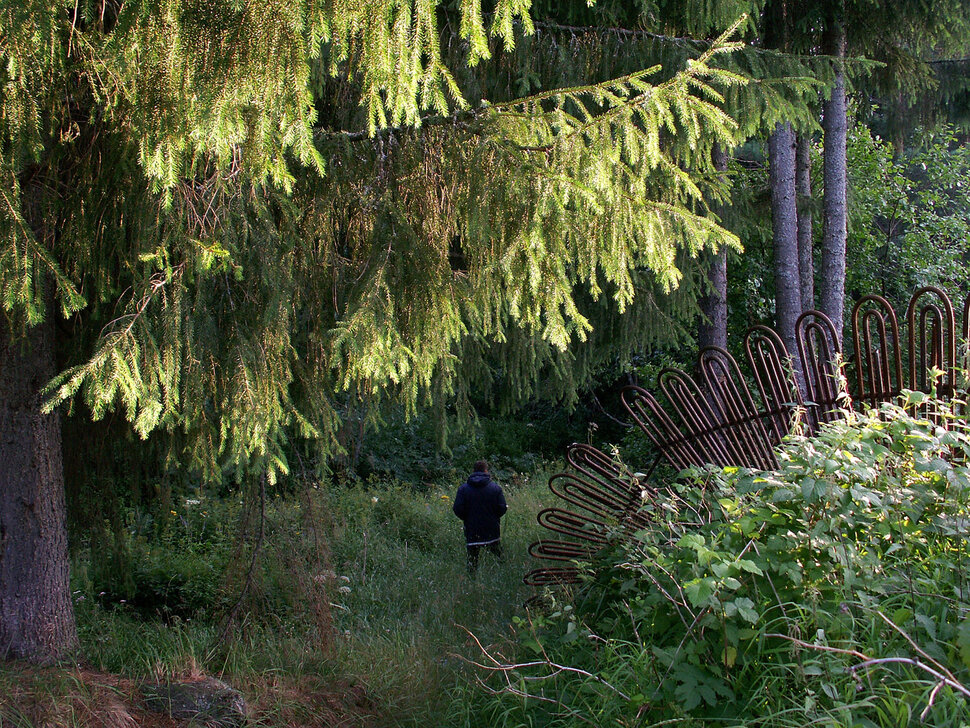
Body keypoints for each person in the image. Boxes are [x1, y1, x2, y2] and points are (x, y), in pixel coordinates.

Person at [452, 460, 507, 574]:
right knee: (498, 555)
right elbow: (502, 508)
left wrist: (467, 518)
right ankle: (505, 574)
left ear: (473, 471)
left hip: (472, 530)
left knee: (472, 559)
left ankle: (471, 581)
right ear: (486, 470)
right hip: (492, 528)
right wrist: (494, 517)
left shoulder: (463, 489)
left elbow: (457, 509)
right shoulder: (495, 488)